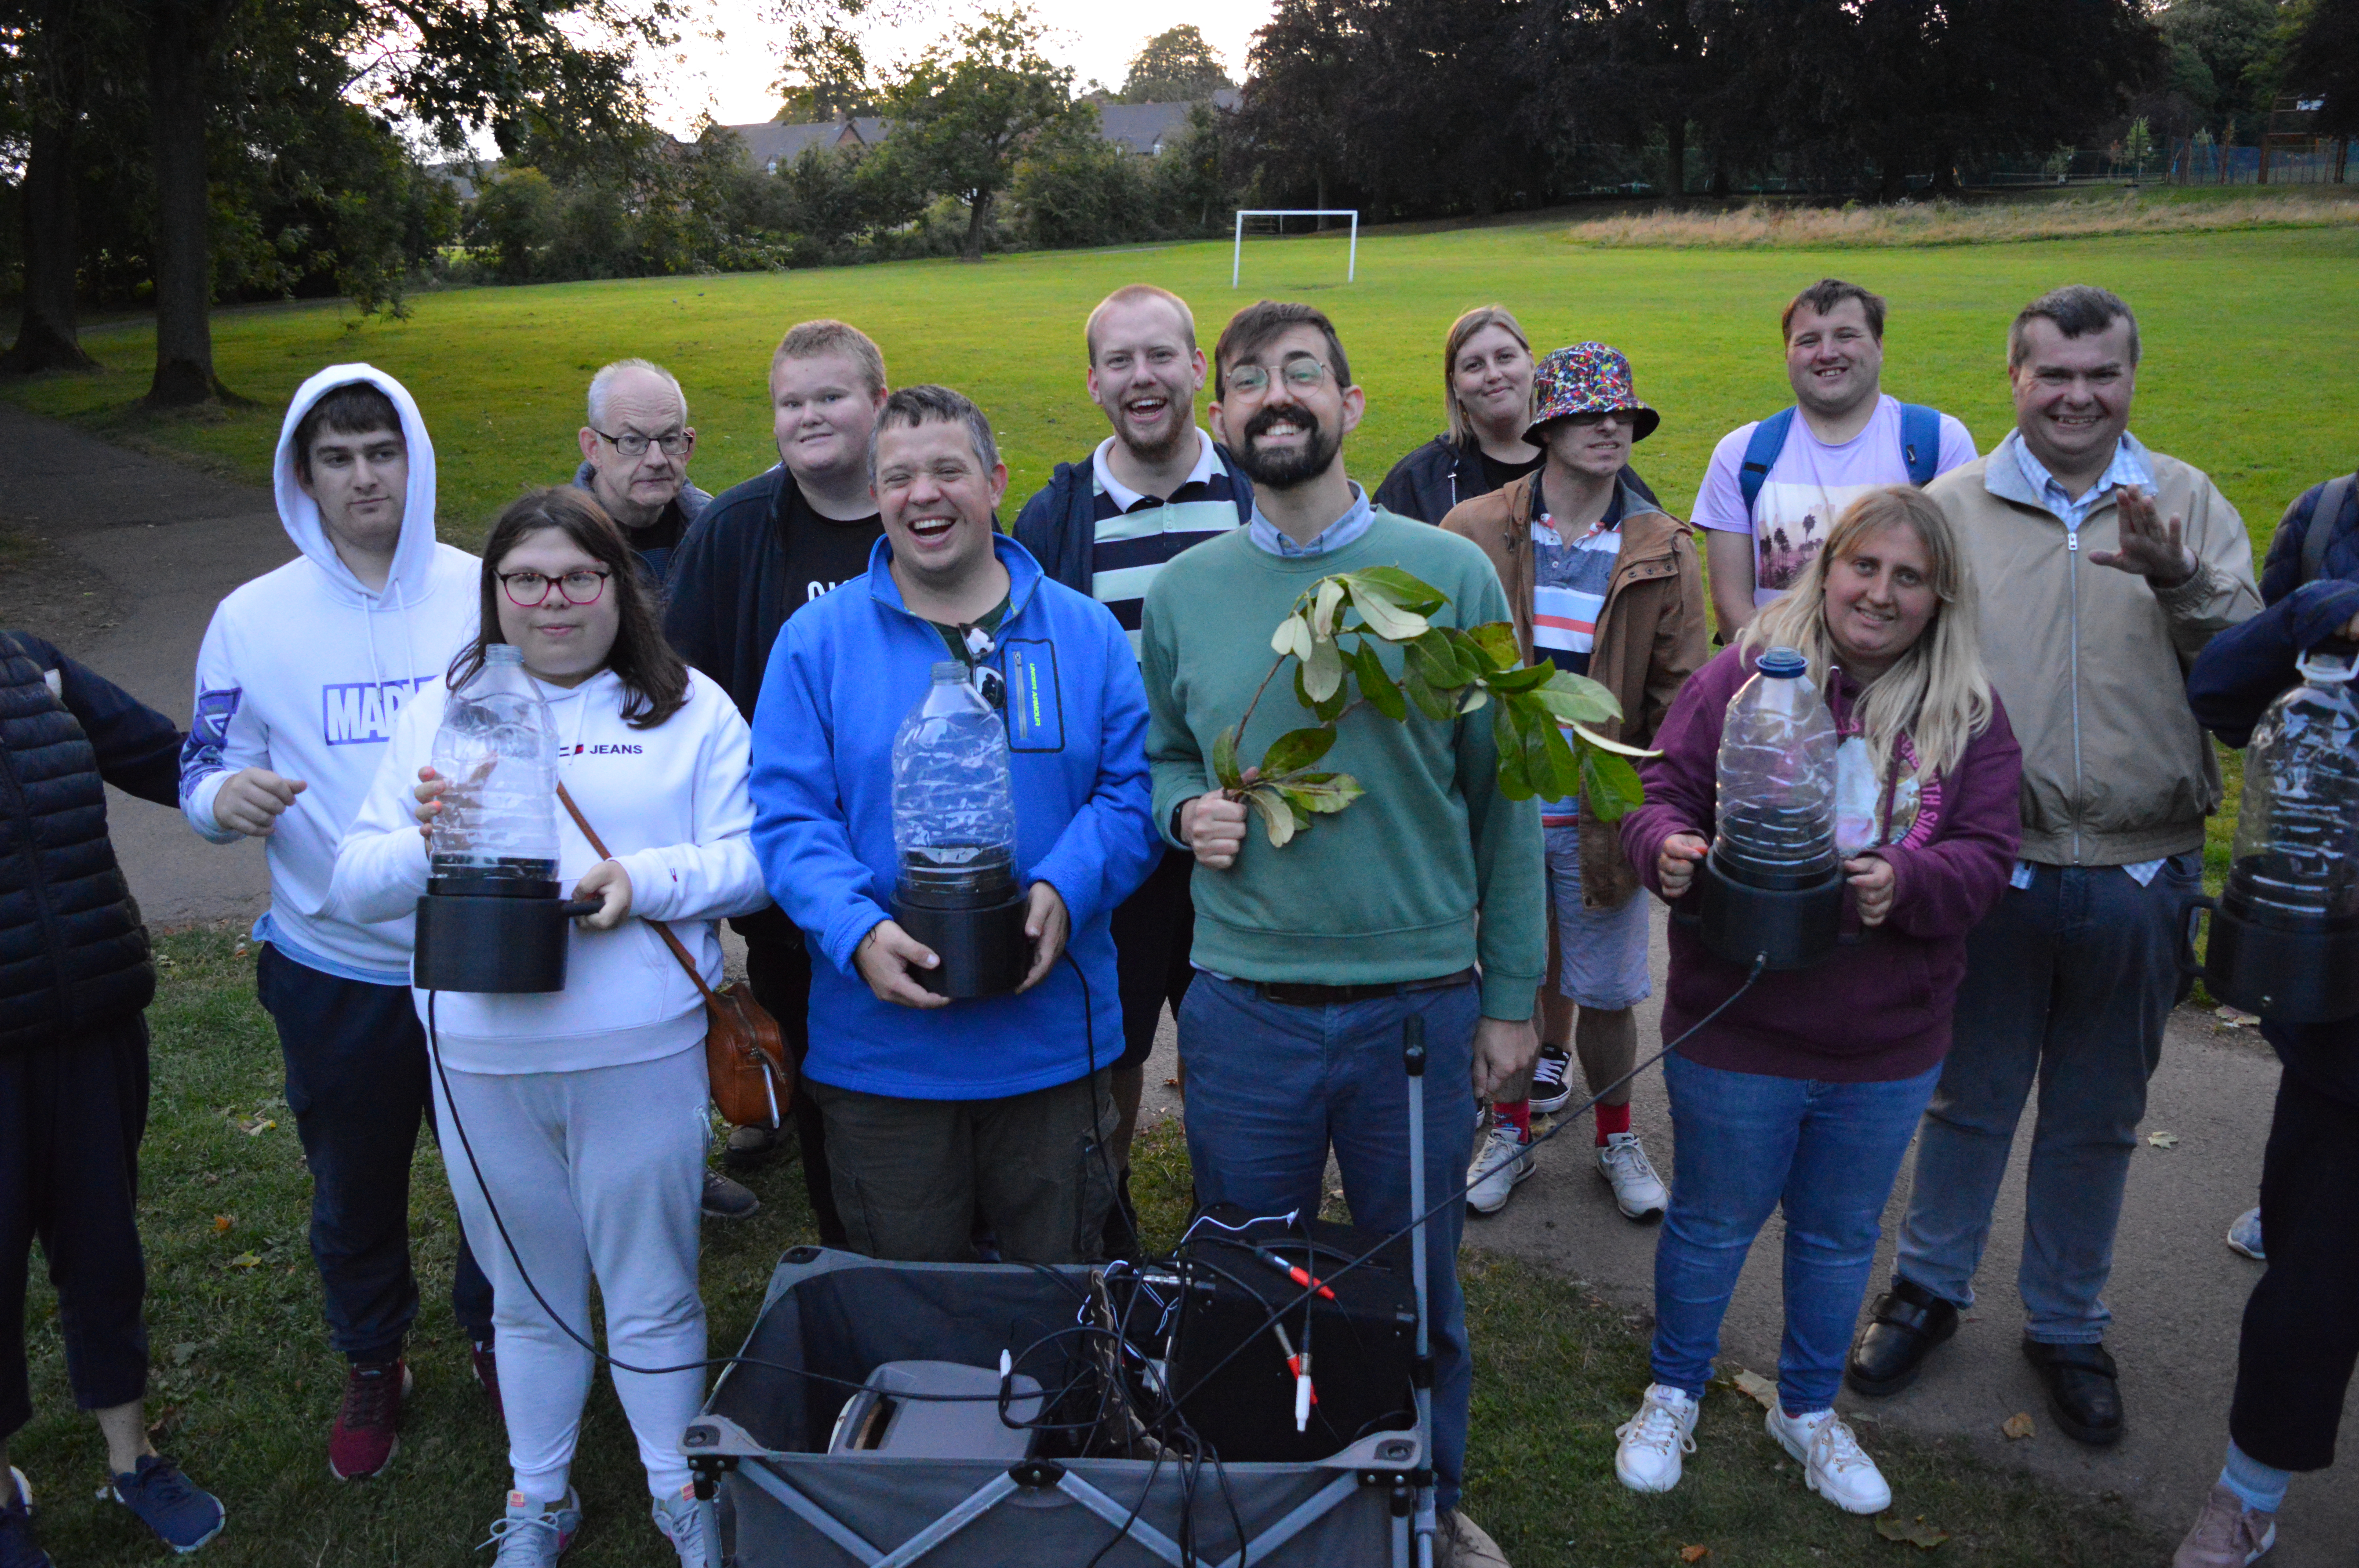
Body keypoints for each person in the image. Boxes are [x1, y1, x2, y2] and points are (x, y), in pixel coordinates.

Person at [1141, 299, 1541, 1568]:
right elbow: (1157, 753)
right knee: (1243, 1285)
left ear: (1352, 406)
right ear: (1217, 424)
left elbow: (1505, 792)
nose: (1274, 395)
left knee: (1411, 1289)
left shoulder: (1449, 573)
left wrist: (1510, 997)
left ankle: (1424, 1500)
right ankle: (1256, 1501)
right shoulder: (1188, 592)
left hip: (1414, 1009)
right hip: (1244, 1005)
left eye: (1300, 373)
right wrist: (1180, 810)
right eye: (1247, 379)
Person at [1848, 285, 2261, 1448]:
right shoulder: (1949, 508)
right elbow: (1873, 637)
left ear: (2129, 379)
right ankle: (1925, 1288)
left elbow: (2243, 678)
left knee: (2096, 1114)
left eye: (2100, 376)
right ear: (2014, 379)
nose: (2076, 396)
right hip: (1990, 864)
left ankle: (2068, 1322)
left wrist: (2177, 575)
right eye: (2052, 375)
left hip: (2139, 869)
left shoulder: (2182, 500)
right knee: (1966, 1097)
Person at [330, 488, 766, 1568]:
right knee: (526, 1294)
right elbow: (353, 882)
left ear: (623, 587)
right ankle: (541, 1497)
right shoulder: (451, 707)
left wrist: (648, 880)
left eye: (579, 576)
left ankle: (679, 1485)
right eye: (523, 579)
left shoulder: (686, 707)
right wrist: (425, 839)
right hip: (483, 1055)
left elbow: (758, 861)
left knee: (652, 1281)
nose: (552, 600)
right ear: (494, 596)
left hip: (639, 1047)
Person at [1614, 486, 2022, 1513]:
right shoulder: (1747, 675)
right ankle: (1671, 1392)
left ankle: (1806, 1410)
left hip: (1885, 1043)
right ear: (1826, 569)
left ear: (1941, 598)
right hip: (1737, 1027)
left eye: (1908, 577)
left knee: (1840, 1239)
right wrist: (1664, 850)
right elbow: (1656, 792)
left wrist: (1906, 885)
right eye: (1863, 567)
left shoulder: (1966, 710)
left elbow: (1987, 855)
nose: (1879, 594)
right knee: (1709, 1225)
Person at [749, 385, 1155, 1264]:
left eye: (947, 470)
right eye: (897, 477)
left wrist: (1066, 883)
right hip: (885, 1056)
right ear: (874, 496)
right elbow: (787, 818)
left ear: (995, 479)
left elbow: (1133, 791)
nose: (922, 495)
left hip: (1052, 1045)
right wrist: (854, 929)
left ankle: (1064, 1409)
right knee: (912, 1308)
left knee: (1057, 1306)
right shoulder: (815, 642)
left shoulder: (1081, 631)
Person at [179, 364, 494, 1480]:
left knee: (493, 1170)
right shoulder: (253, 617)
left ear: (415, 456)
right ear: (302, 478)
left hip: (476, 954)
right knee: (353, 1181)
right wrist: (224, 800)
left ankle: (494, 1329)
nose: (365, 478)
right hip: (332, 962)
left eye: (382, 452)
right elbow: (207, 761)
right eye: (338, 458)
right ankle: (374, 1357)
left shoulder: (482, 589)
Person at [1010, 283, 1255, 1250]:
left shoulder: (1254, 495)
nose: (1142, 378)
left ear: (1198, 370)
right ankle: (1105, 1234)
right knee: (1110, 1039)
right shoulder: (1055, 517)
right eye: (1120, 361)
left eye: (1161, 356)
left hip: (1240, 832)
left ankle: (1226, 1232)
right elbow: (1031, 686)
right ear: (1094, 382)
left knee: (1230, 1043)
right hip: (1114, 825)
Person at [1441, 342, 1705, 1220]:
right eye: (1590, 413)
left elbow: (1677, 699)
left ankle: (1615, 1135)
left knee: (1607, 988)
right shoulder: (1474, 527)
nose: (1609, 428)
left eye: (1621, 414)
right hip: (1501, 803)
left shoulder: (1663, 544)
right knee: (1508, 978)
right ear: (1547, 426)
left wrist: (1650, 810)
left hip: (1599, 808)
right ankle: (1510, 1131)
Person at [1, 633, 226, 1564]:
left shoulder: (29, 664)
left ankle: (131, 1456)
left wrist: (260, 785)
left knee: (103, 1246)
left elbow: (170, 758)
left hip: (93, 1019)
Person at [663, 319, 890, 1240]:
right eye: (790, 403)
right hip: (793, 861)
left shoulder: (925, 503)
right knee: (819, 1042)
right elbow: (684, 689)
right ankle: (847, 1230)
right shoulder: (733, 530)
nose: (809, 417)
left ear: (880, 401)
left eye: (830, 396)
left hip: (921, 846)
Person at [2170, 576, 2359, 1566]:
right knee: (2312, 1280)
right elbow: (2221, 694)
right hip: (2345, 1024)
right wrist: (2317, 613)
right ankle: (2247, 1493)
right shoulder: (2336, 523)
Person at [2214, 463, 2359, 1265]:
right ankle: (2298, 1202)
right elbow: (2234, 696)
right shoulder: (2325, 511)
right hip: (2329, 868)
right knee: (2321, 1048)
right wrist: (2317, 610)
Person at [1691, 278, 1977, 636]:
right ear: (1788, 355)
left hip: (1905, 685)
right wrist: (1788, 683)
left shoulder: (1939, 442)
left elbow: (1960, 590)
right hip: (1783, 680)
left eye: (1846, 336)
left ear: (1880, 346)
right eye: (1808, 341)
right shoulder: (1741, 455)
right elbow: (1732, 605)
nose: (1827, 353)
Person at [1374, 305, 1658, 524]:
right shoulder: (1418, 482)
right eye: (1474, 366)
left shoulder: (1592, 465)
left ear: (1531, 363)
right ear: (1455, 386)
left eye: (1505, 357)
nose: (1494, 375)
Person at [572, 358, 711, 586]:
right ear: (592, 448)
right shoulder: (553, 546)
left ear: (688, 448)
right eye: (633, 441)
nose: (656, 460)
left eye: (669, 439)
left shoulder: (717, 529)